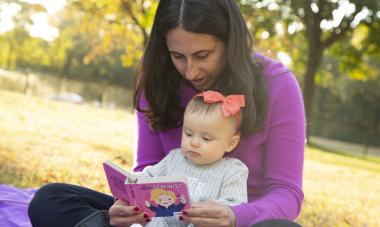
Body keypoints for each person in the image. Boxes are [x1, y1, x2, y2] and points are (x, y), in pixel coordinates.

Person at [28, 0, 305, 227]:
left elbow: (287, 193)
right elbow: (146, 169)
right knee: (51, 199)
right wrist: (128, 207)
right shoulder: (157, 81)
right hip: (163, 218)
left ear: (230, 42)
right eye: (178, 56)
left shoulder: (278, 84)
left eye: (203, 55)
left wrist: (234, 216)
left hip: (236, 222)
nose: (191, 72)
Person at [139, 91, 249, 226]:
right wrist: (133, 180)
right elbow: (149, 176)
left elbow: (235, 205)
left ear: (230, 143)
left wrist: (213, 210)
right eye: (188, 134)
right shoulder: (175, 157)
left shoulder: (233, 170)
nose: (194, 143)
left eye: (206, 138)